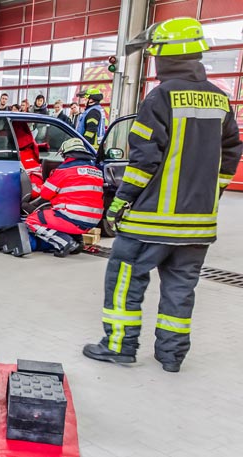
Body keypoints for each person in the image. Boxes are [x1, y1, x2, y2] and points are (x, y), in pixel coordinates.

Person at [82, 17, 242, 373]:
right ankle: (171, 356)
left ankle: (119, 346)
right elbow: (232, 152)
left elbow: (143, 161)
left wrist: (120, 202)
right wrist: (210, 195)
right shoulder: (219, 100)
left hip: (150, 222)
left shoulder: (160, 97)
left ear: (165, 56)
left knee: (124, 279)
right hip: (197, 225)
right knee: (181, 288)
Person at [24, 138, 104, 257]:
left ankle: (65, 243)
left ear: (66, 154)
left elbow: (45, 194)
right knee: (63, 215)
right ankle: (78, 241)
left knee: (33, 220)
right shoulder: (96, 171)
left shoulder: (64, 170)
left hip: (72, 217)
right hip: (93, 220)